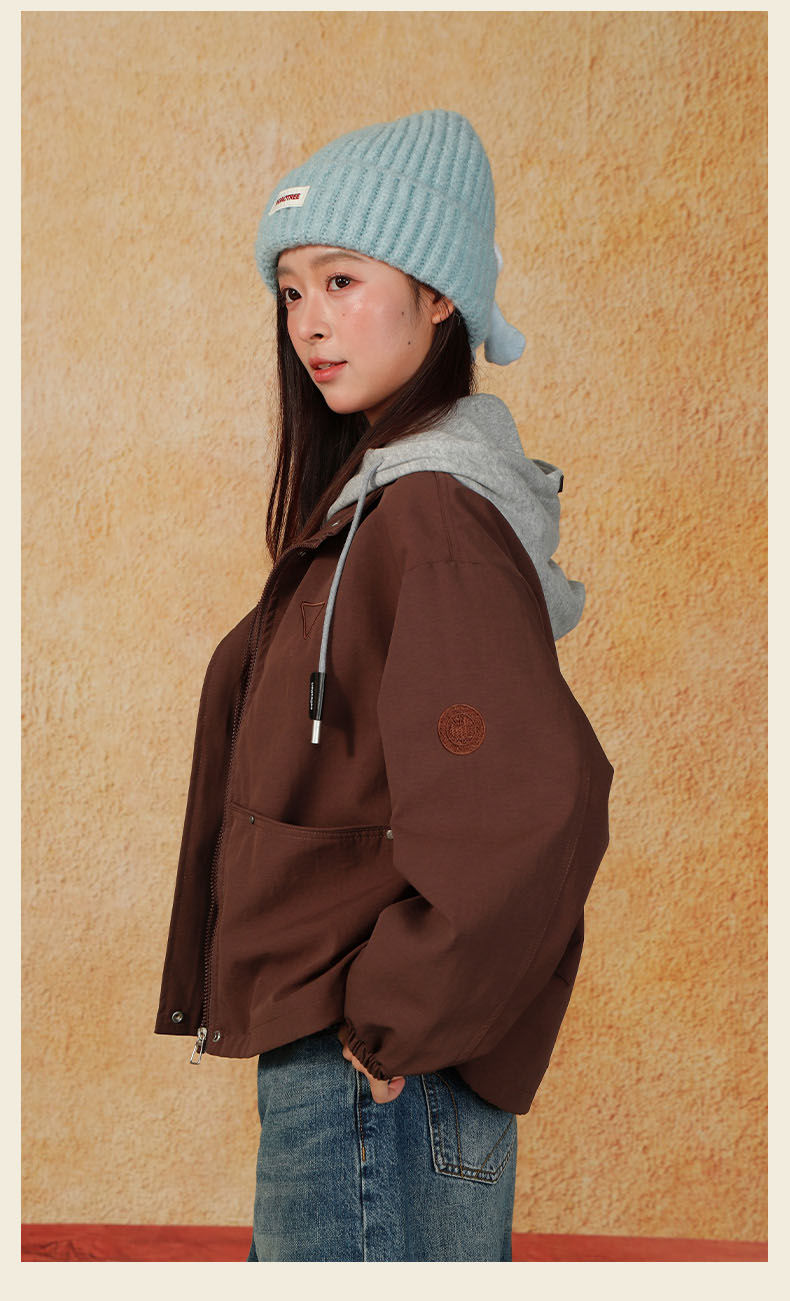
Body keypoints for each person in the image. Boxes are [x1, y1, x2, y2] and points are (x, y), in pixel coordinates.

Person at [154, 108, 614, 1263]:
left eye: (342, 280)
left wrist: (396, 1015)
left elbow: (531, 795)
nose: (309, 321)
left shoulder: (432, 518)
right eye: (291, 291)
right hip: (360, 1061)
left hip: (381, 1075)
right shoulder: (379, 511)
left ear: (439, 293)